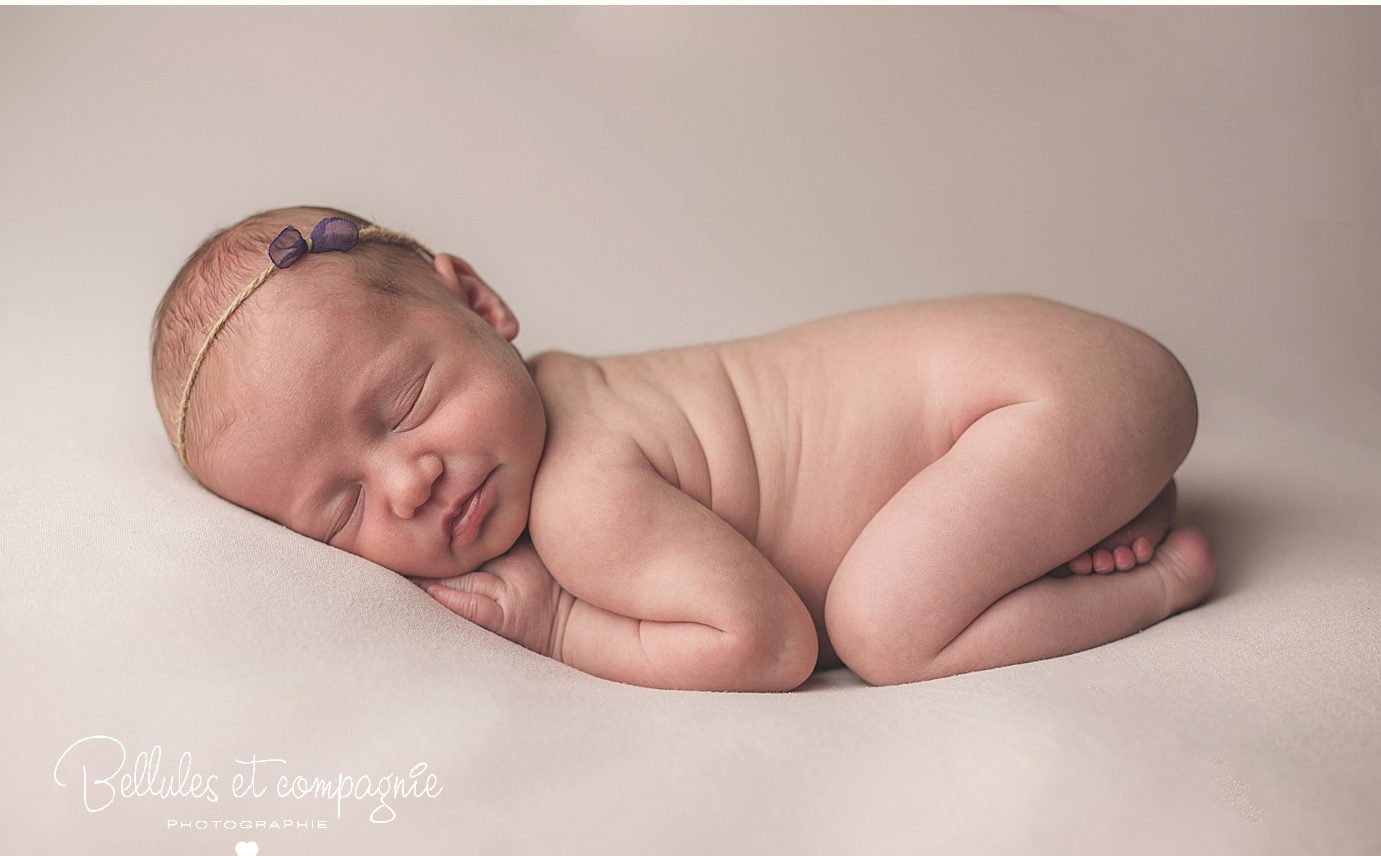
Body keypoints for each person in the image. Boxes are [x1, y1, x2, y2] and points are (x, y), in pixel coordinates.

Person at [150, 205, 1216, 692]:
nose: (408, 481)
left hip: (1032, 403)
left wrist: (560, 621)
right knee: (913, 568)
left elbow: (766, 646)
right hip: (1056, 384)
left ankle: (1161, 581)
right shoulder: (581, 387)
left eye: (407, 401)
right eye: (338, 508)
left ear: (477, 300)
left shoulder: (581, 497)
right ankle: (1089, 500)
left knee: (881, 631)